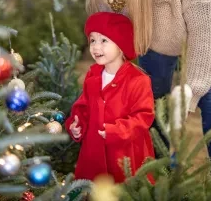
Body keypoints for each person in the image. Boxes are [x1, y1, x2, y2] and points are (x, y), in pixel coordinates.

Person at [86, 0, 211, 173]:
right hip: (155, 35)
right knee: (152, 104)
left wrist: (191, 91)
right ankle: (159, 175)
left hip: (208, 28)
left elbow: (204, 34)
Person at [65, 12, 155, 183]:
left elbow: (143, 117)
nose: (96, 47)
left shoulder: (138, 81)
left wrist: (115, 131)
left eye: (104, 40)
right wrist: (77, 125)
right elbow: (83, 107)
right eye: (92, 40)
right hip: (94, 153)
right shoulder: (93, 76)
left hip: (126, 157)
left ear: (121, 44)